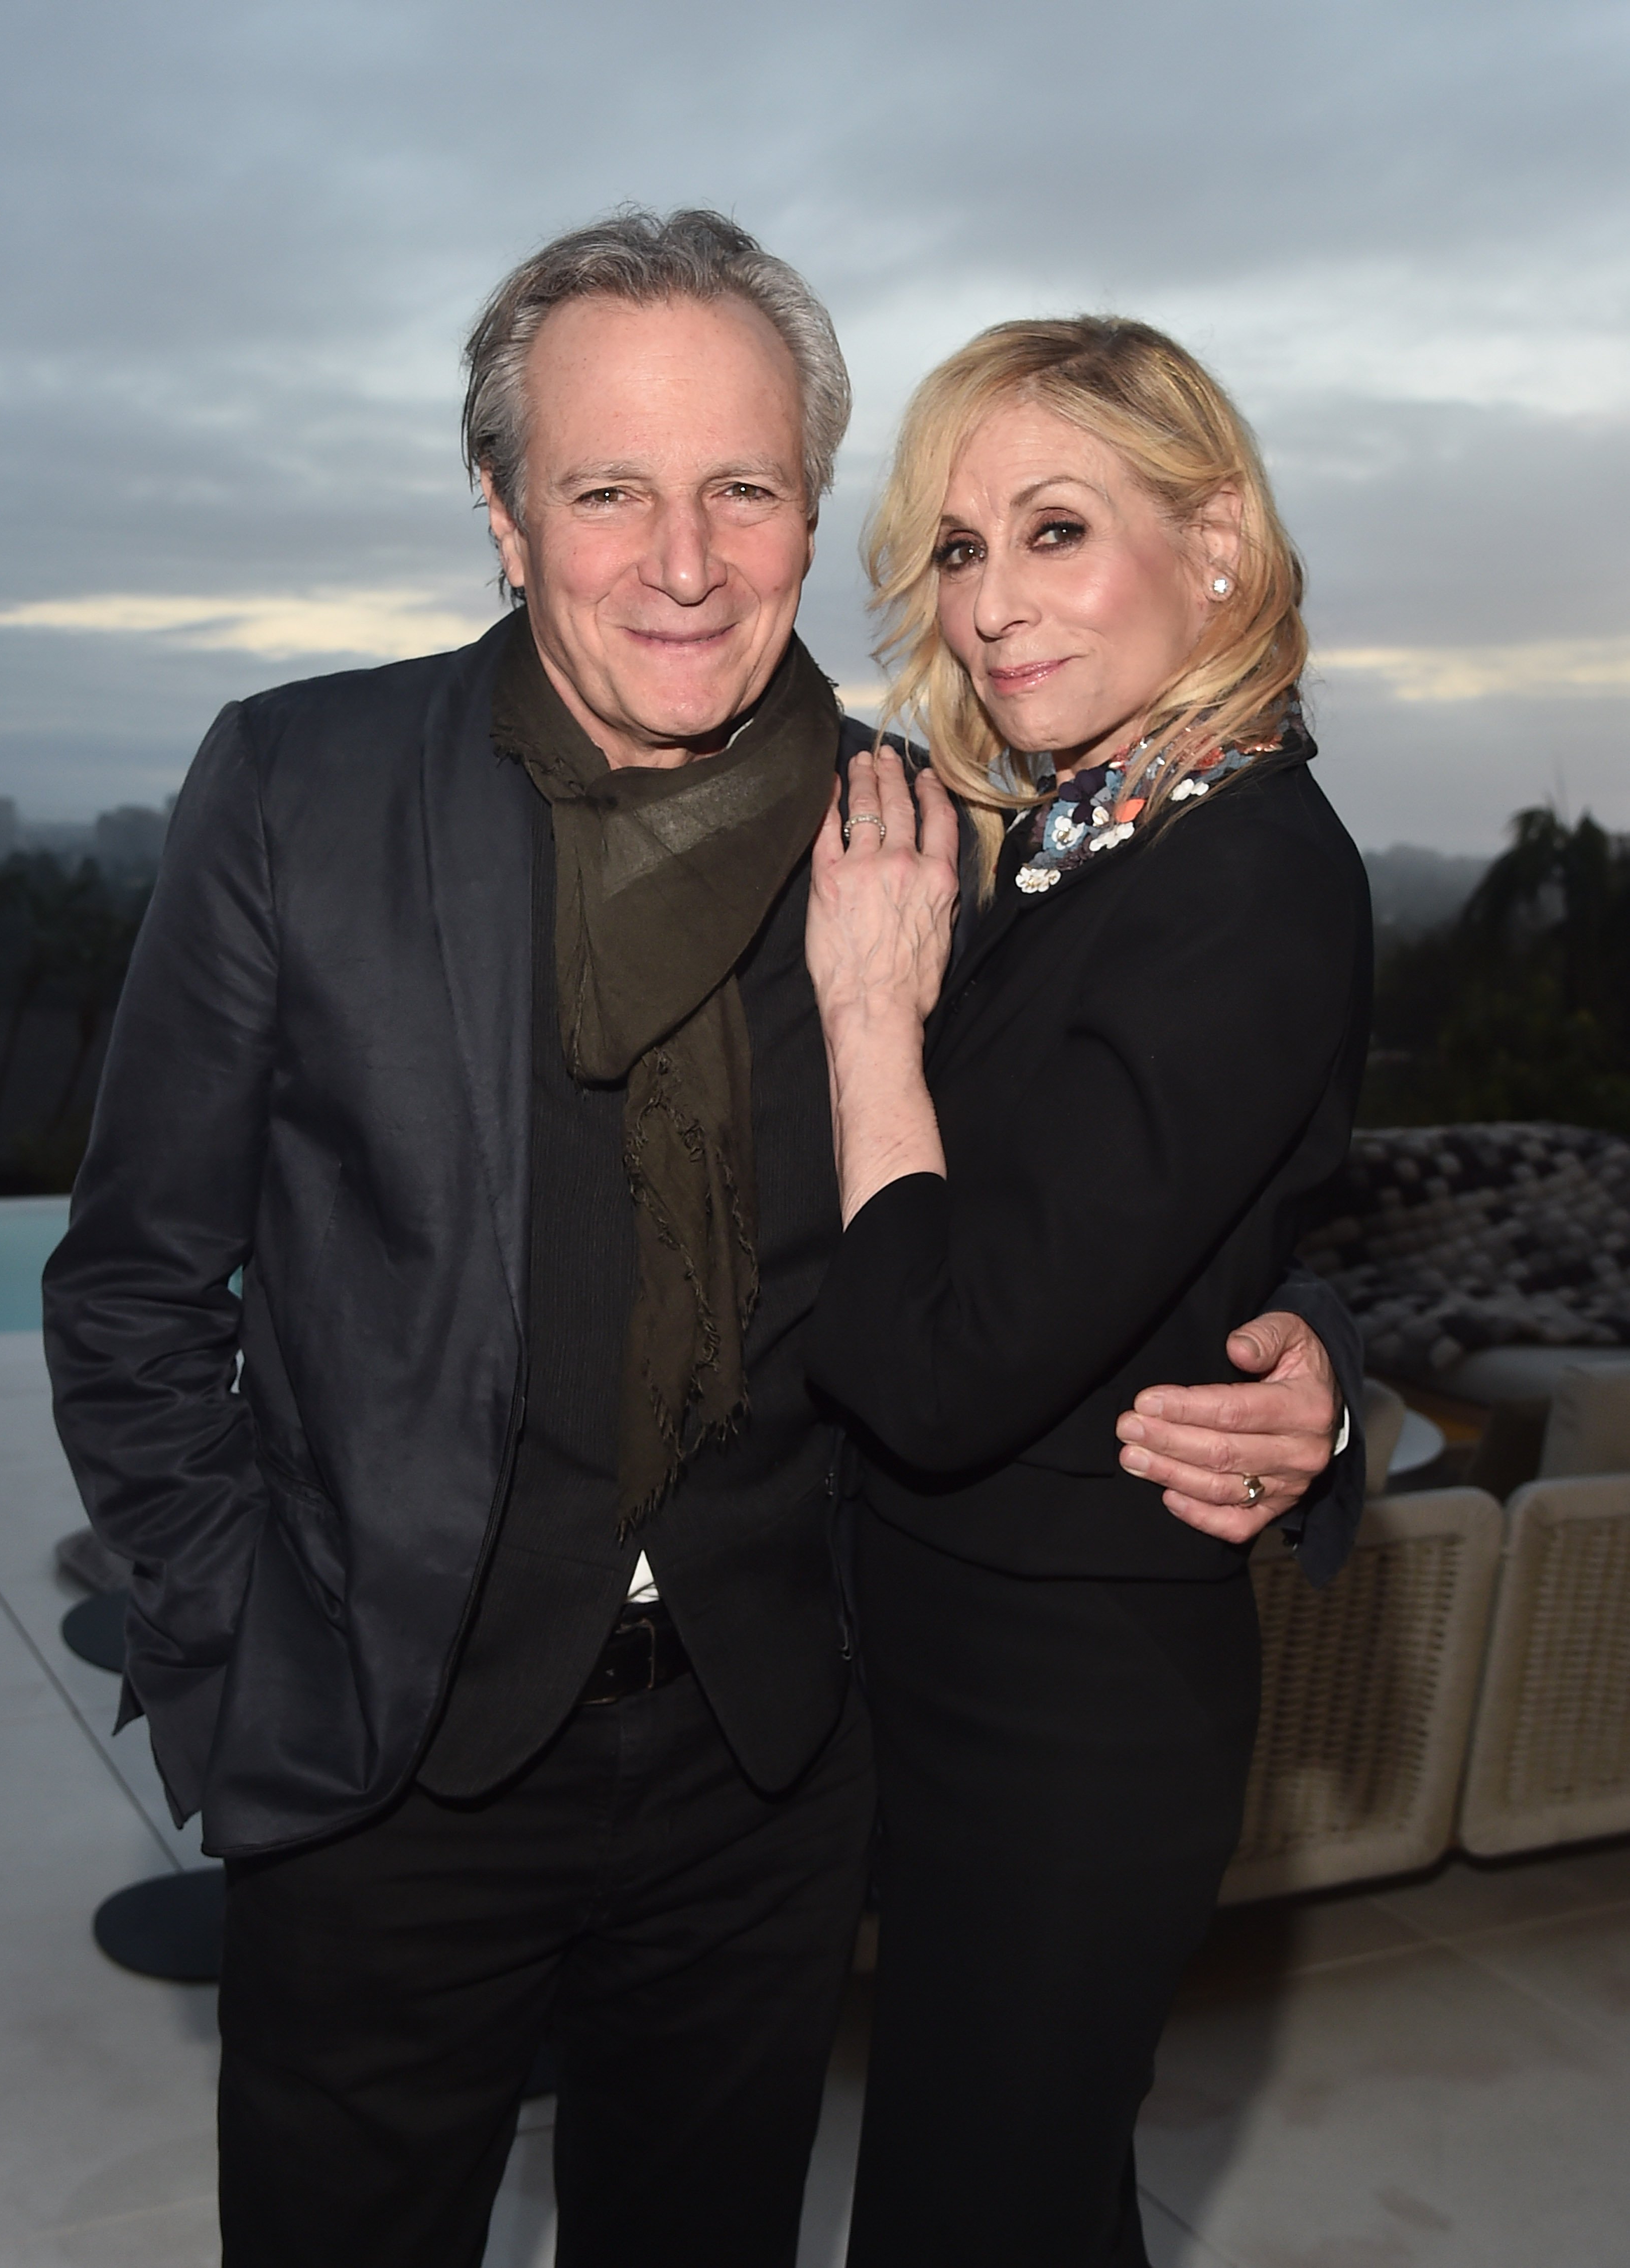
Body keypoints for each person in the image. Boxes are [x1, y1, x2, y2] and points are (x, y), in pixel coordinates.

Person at [43, 218, 1361, 2268]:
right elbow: (131, 1282)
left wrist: (1308, 1347)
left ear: (806, 510)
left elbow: (1119, 1174)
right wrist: (243, 1664)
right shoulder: (300, 790)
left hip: (770, 1765)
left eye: (740, 489)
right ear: (501, 514)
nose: (682, 559)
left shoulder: (909, 833)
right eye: (608, 490)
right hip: (388, 1763)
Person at [802, 316, 1374, 2265]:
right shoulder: (1073, 846)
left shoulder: (1250, 869)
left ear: (1216, 543)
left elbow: (952, 1360)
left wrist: (873, 1021)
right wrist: (1317, 1340)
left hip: (1064, 1722)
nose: (989, 607)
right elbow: (1185, 1215)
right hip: (939, 1670)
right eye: (959, 550)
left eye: (1054, 530)